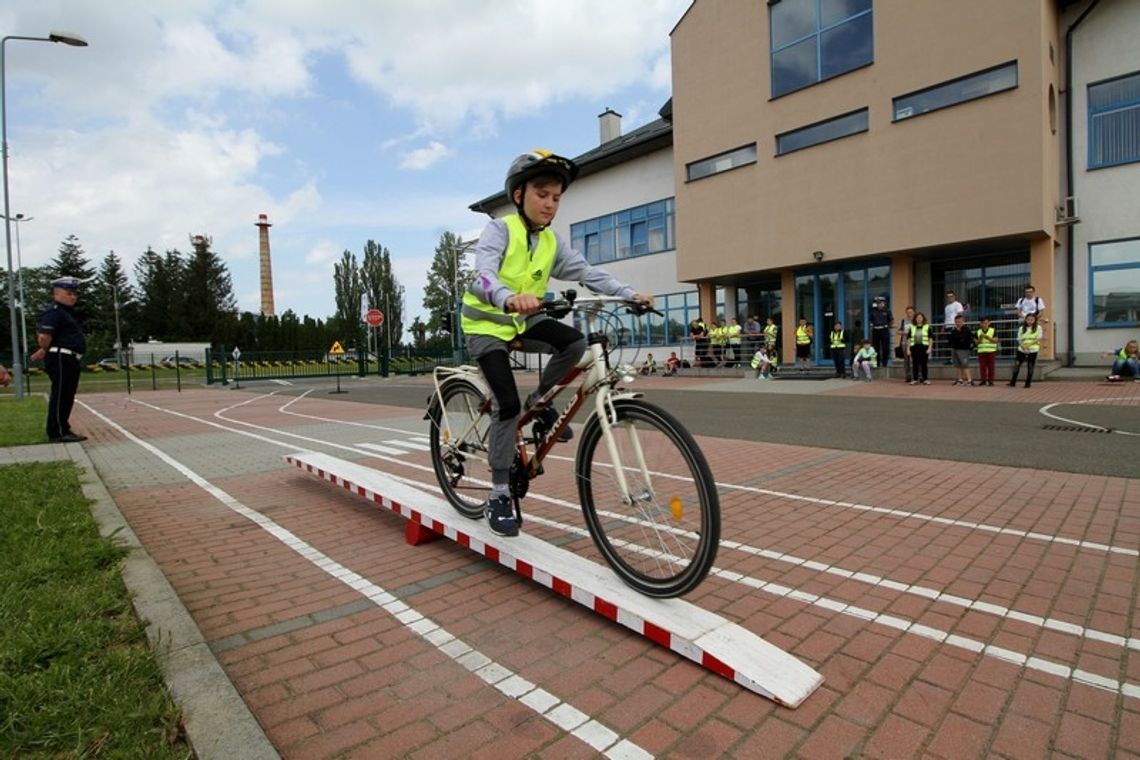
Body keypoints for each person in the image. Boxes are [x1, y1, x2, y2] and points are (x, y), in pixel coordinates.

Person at [461, 149, 653, 537]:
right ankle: (498, 493)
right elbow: (482, 274)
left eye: (556, 197)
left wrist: (629, 293)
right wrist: (505, 296)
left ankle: (541, 403)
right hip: (487, 326)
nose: (550, 203)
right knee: (506, 405)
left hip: (524, 321)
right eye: (542, 193)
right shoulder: (501, 229)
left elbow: (586, 272)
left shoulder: (551, 243)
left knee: (574, 344)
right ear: (519, 195)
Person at [29, 276, 89, 442]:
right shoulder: (53, 312)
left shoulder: (66, 313)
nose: (73, 296)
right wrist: (46, 348)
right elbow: (44, 336)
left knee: (67, 394)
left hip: (69, 357)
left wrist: (43, 350)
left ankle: (63, 427)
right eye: (69, 293)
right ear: (56, 293)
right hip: (62, 357)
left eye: (75, 294)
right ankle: (57, 432)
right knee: (61, 394)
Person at [1008, 313, 1044, 388]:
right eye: (1028, 319)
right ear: (1025, 320)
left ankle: (1028, 383)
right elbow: (1019, 339)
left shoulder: (1038, 328)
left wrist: (1028, 346)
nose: (1030, 321)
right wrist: (1023, 346)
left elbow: (1038, 338)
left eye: (1031, 320)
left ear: (1035, 320)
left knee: (1030, 366)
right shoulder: (1021, 328)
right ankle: (1013, 382)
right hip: (1022, 349)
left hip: (1033, 349)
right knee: (1017, 365)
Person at [947, 313, 976, 386]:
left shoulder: (966, 329)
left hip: (963, 350)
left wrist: (958, 337)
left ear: (963, 321)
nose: (958, 323)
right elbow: (950, 340)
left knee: (965, 365)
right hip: (955, 349)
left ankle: (969, 380)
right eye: (956, 322)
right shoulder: (953, 330)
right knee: (958, 365)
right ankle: (960, 380)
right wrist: (956, 338)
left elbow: (963, 339)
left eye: (959, 321)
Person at [909, 311, 932, 385]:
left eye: (920, 317)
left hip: (924, 347)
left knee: (924, 364)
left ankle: (925, 379)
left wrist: (930, 348)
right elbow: (909, 339)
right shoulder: (912, 328)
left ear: (923, 319)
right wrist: (908, 349)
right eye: (917, 318)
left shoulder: (927, 327)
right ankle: (915, 379)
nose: (919, 319)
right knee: (915, 364)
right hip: (914, 347)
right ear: (915, 319)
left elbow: (930, 339)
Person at [869, 296, 893, 367]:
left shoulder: (887, 311)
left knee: (885, 347)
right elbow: (871, 320)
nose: (879, 304)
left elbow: (891, 320)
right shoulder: (873, 311)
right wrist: (871, 325)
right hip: (876, 330)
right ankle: (877, 362)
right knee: (876, 348)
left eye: (881, 303)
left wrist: (888, 325)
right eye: (878, 303)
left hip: (884, 330)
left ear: (884, 303)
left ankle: (885, 362)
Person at [975, 315, 999, 386]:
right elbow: (976, 342)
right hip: (981, 351)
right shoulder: (978, 331)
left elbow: (996, 340)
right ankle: (983, 380)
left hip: (991, 351)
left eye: (986, 323)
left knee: (991, 367)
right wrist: (980, 338)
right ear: (980, 324)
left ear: (989, 323)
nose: (984, 324)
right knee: (982, 367)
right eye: (982, 323)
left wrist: (988, 338)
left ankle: (991, 381)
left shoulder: (993, 330)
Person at [943, 290, 965, 364]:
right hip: (947, 326)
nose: (950, 298)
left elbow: (960, 315)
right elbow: (946, 317)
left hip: (954, 326)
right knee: (948, 343)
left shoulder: (957, 304)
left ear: (954, 296)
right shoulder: (947, 307)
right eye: (948, 297)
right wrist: (943, 326)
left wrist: (959, 325)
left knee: (955, 343)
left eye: (951, 296)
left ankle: (956, 359)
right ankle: (949, 359)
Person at [898, 305, 916, 383]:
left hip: (915, 342)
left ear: (914, 312)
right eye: (908, 312)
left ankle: (917, 375)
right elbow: (898, 331)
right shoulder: (903, 321)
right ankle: (908, 376)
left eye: (911, 312)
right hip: (905, 342)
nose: (909, 314)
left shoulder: (916, 321)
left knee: (915, 359)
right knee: (906, 360)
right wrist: (904, 332)